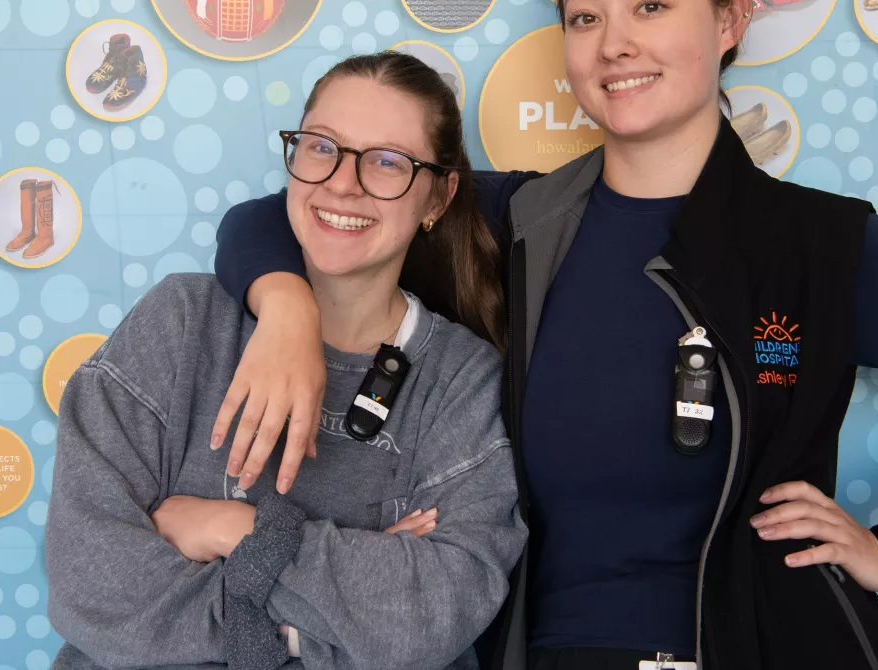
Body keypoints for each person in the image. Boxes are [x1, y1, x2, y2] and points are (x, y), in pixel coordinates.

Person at [211, 0, 878, 668]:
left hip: (768, 644)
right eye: (586, 15)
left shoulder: (824, 249)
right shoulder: (516, 222)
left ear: (732, 20)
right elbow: (285, 212)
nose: (614, 42)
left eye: (652, 6)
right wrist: (284, 310)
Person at [44, 52, 527, 670]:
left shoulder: (462, 383)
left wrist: (236, 529)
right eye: (322, 147)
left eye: (387, 162)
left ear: (439, 196)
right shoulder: (180, 323)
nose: (342, 183)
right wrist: (324, 619)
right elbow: (93, 585)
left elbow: (432, 615)